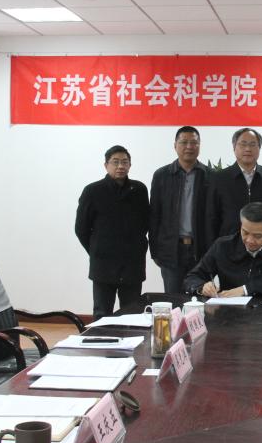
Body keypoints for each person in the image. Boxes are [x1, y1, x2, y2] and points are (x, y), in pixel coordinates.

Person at [75, 145, 149, 319]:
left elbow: (145, 222)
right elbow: (81, 228)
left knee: (132, 314)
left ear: (130, 165)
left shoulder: (139, 190)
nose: (120, 166)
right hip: (103, 264)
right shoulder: (92, 191)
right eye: (115, 162)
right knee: (102, 314)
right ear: (106, 165)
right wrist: (97, 249)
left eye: (124, 162)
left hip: (132, 264)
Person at [183, 202, 262, 298]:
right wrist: (202, 287)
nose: (249, 240)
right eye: (245, 232)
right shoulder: (223, 246)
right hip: (230, 311)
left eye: (257, 236)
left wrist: (246, 289)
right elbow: (192, 278)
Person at [149, 126, 210, 293]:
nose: (189, 146)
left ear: (199, 145)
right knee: (173, 299)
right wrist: (155, 251)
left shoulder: (210, 176)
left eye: (194, 142)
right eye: (184, 142)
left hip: (201, 250)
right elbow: (154, 215)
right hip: (171, 250)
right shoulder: (162, 175)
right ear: (175, 145)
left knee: (201, 299)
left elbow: (215, 216)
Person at [206, 127, 262, 246]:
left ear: (259, 148)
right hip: (228, 246)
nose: (247, 149)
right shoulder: (219, 178)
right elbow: (211, 218)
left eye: (252, 144)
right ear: (234, 147)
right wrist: (214, 249)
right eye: (243, 144)